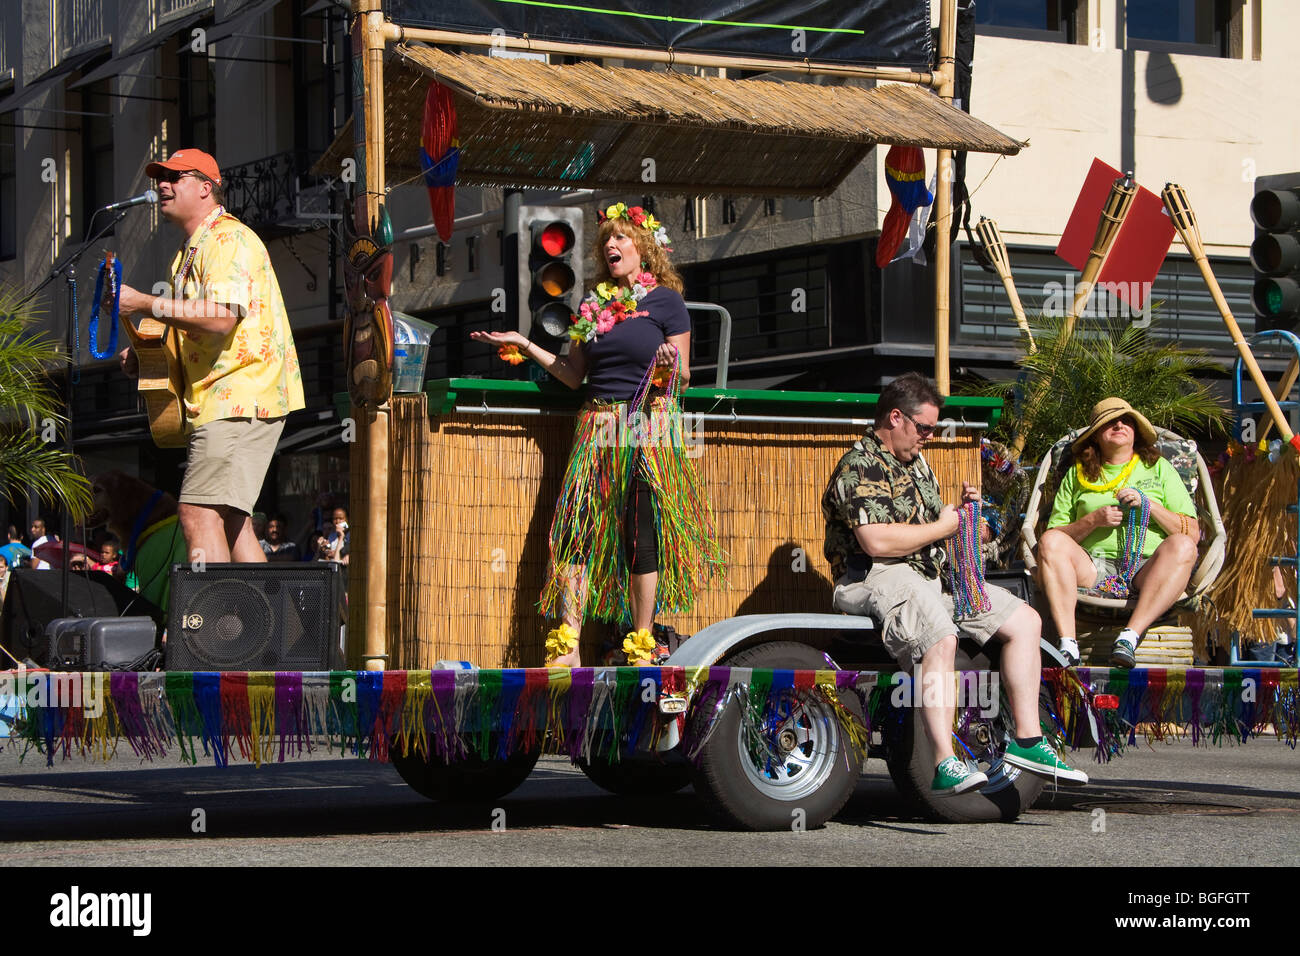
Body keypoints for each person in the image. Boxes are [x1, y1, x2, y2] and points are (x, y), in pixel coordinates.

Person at [471, 202, 723, 666]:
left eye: (621, 237)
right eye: (606, 238)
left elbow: (684, 376)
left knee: (639, 532)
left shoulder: (666, 301)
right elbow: (572, 374)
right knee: (575, 534)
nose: (611, 244)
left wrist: (670, 366)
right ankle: (567, 644)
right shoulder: (592, 305)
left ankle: (642, 643)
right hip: (597, 426)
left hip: (646, 427)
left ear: (644, 248)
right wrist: (526, 345)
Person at [822, 372, 1087, 795]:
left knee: (1025, 621)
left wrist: (962, 517)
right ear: (896, 417)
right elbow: (877, 541)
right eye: (924, 427)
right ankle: (946, 762)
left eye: (932, 428)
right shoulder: (861, 464)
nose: (930, 435)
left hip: (932, 575)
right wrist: (945, 526)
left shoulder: (917, 463)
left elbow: (926, 526)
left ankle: (1029, 741)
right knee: (940, 637)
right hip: (876, 575)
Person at [115, 148, 305, 565]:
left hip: (238, 394)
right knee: (233, 521)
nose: (162, 185)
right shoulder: (187, 254)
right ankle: (272, 628)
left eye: (174, 177)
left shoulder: (227, 238)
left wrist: (143, 302)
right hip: (230, 397)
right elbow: (199, 327)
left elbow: (221, 318)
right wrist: (151, 353)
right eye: (159, 178)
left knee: (197, 512)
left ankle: (218, 626)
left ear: (206, 188)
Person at [1036, 398, 1199, 668]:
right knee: (1051, 542)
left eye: (1127, 420)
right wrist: (1091, 521)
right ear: (1096, 436)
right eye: (1110, 422)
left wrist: (1150, 506)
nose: (1120, 424)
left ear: (1135, 432)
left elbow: (1192, 532)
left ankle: (1129, 637)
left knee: (1183, 546)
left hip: (1147, 569)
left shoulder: (1159, 468)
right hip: (1091, 566)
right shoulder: (1076, 475)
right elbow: (1054, 536)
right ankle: (1067, 645)